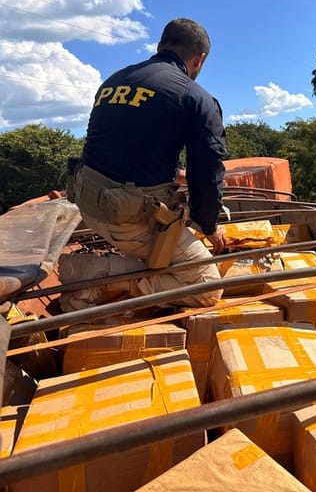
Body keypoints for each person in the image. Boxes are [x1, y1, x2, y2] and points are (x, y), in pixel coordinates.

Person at [63, 18, 227, 311]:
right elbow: (207, 171)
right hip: (124, 219)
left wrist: (177, 176)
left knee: (171, 241)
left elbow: (126, 149)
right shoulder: (194, 96)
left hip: (87, 204)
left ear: (160, 46)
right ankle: (100, 276)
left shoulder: (114, 81)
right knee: (208, 287)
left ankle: (124, 266)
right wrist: (209, 225)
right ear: (199, 59)